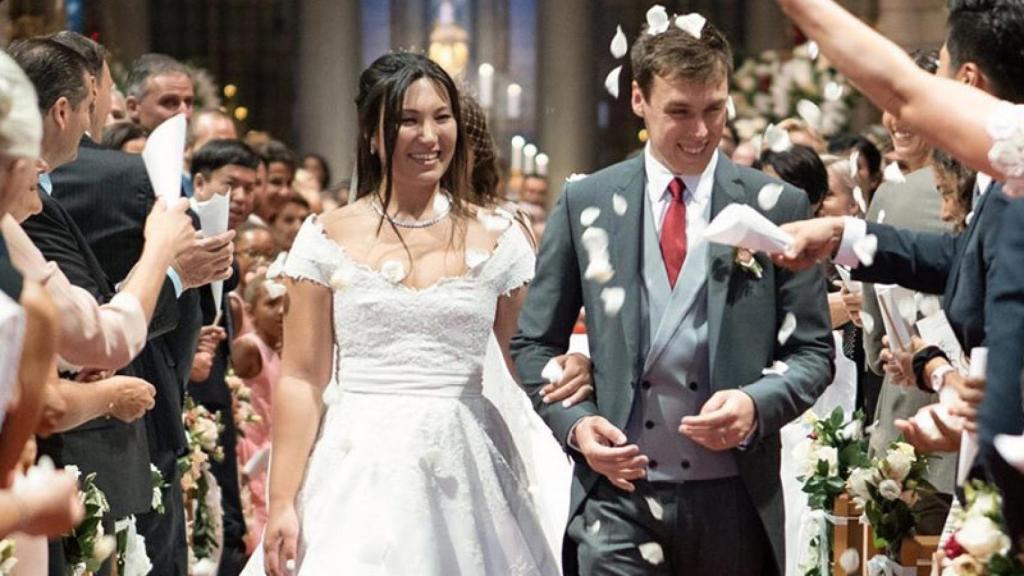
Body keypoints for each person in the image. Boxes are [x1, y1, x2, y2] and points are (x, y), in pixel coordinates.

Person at [250, 51, 594, 576]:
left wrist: (574, 381)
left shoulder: (500, 237)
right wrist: (281, 503)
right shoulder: (324, 236)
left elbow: (529, 357)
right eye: (408, 120)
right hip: (355, 464)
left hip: (467, 460)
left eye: (441, 117)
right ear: (372, 133)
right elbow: (301, 378)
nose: (429, 136)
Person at [512, 16, 833, 576]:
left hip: (735, 501)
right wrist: (578, 424)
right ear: (639, 98)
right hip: (616, 502)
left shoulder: (777, 205)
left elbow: (813, 353)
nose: (701, 131)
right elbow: (533, 343)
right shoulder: (585, 200)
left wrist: (757, 402)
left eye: (714, 109)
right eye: (679, 112)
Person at [772, 0, 1024, 544]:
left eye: (942, 70)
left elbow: (899, 87)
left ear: (969, 83)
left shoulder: (1017, 160)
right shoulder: (999, 182)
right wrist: (842, 236)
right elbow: (961, 263)